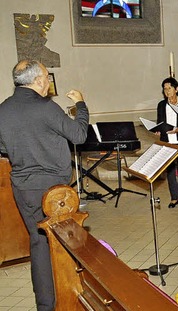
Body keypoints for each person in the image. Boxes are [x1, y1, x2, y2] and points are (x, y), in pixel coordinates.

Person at [0, 60, 89, 310]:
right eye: (47, 77)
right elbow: (79, 135)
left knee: (38, 242)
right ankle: (72, 296)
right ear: (38, 80)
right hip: (54, 191)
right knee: (66, 242)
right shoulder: (47, 107)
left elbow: (2, 147)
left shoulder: (3, 110)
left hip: (23, 188)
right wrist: (81, 105)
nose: (49, 82)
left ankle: (46, 305)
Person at [156, 77, 178, 208]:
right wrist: (158, 130)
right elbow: (159, 122)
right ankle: (173, 198)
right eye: (165, 89)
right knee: (170, 171)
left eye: (169, 88)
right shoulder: (161, 105)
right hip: (167, 141)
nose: (167, 91)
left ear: (176, 89)